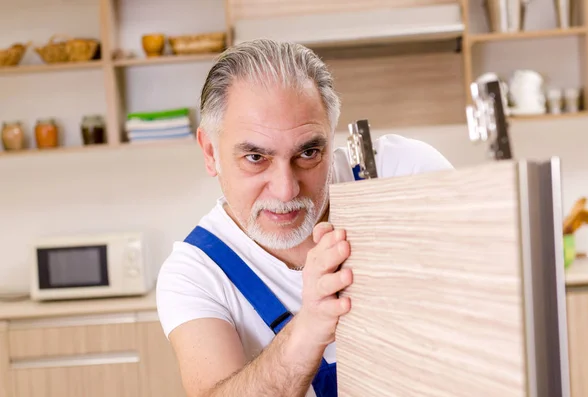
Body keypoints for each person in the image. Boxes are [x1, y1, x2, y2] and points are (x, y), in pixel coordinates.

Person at [156, 38, 454, 397]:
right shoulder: (196, 273)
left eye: (309, 152)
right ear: (210, 153)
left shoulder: (404, 174)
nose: (286, 190)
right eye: (255, 158)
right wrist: (310, 326)